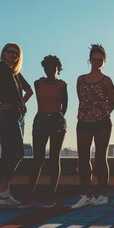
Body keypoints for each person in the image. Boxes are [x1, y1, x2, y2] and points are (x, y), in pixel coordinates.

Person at [0, 43, 33, 208]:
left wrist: (21, 104)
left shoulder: (15, 73)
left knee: (11, 154)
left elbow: (29, 91)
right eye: (10, 52)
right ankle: (2, 192)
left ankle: (3, 193)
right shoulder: (0, 67)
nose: (13, 55)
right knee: (16, 153)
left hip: (18, 116)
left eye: (16, 53)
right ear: (3, 53)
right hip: (7, 116)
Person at [71, 44, 114, 209]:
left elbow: (112, 102)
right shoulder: (80, 79)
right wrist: (88, 114)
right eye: (94, 59)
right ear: (89, 60)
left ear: (104, 61)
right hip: (83, 121)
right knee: (82, 158)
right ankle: (87, 194)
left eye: (100, 60)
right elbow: (81, 99)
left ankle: (103, 194)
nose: (97, 62)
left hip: (102, 122)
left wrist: (101, 114)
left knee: (100, 157)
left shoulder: (107, 80)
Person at [29, 55, 68, 208]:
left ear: (58, 69)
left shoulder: (62, 84)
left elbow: (65, 106)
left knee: (54, 158)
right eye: (47, 68)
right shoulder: (37, 83)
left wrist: (55, 117)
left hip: (57, 121)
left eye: (54, 68)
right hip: (41, 120)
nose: (50, 70)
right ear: (44, 68)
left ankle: (51, 195)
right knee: (37, 159)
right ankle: (29, 194)